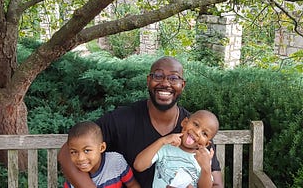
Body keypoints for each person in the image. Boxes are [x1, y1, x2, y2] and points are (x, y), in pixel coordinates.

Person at [58, 56, 223, 188]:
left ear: (182, 85)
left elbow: (215, 183)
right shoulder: (121, 120)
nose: (165, 83)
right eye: (158, 76)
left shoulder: (196, 131)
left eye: (174, 78)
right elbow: (67, 151)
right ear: (148, 80)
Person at [134, 110, 219, 188]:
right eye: (196, 124)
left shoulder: (204, 158)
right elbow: (138, 166)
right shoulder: (166, 147)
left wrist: (206, 168)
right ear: (184, 122)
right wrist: (162, 141)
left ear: (206, 144)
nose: (197, 132)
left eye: (204, 134)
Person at [63, 121, 140, 188]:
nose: (80, 158)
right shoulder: (73, 175)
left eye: (87, 150)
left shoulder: (115, 162)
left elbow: (132, 185)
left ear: (102, 148)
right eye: (74, 152)